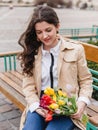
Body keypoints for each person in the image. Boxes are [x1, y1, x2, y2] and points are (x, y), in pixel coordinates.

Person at [18, 5, 93, 130]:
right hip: (41, 103)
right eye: (39, 32)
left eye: (48, 30)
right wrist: (36, 105)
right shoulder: (32, 53)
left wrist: (82, 102)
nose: (44, 36)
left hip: (67, 106)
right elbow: (28, 87)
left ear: (57, 26)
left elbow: (86, 80)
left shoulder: (75, 49)